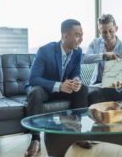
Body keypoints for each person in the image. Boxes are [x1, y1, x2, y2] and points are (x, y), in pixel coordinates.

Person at [24, 19, 88, 157]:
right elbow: (33, 79)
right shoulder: (45, 51)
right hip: (45, 89)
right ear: (65, 36)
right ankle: (35, 139)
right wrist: (59, 86)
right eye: (77, 35)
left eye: (82, 35)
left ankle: (77, 131)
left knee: (83, 89)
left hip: (64, 89)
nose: (81, 39)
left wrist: (76, 80)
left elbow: (76, 73)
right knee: (35, 92)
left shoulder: (77, 52)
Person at [83, 14, 122, 105]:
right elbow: (86, 59)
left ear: (116, 28)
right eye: (104, 32)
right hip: (100, 85)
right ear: (99, 32)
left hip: (119, 84)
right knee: (92, 95)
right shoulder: (95, 43)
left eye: (111, 31)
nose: (108, 35)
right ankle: (98, 118)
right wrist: (104, 55)